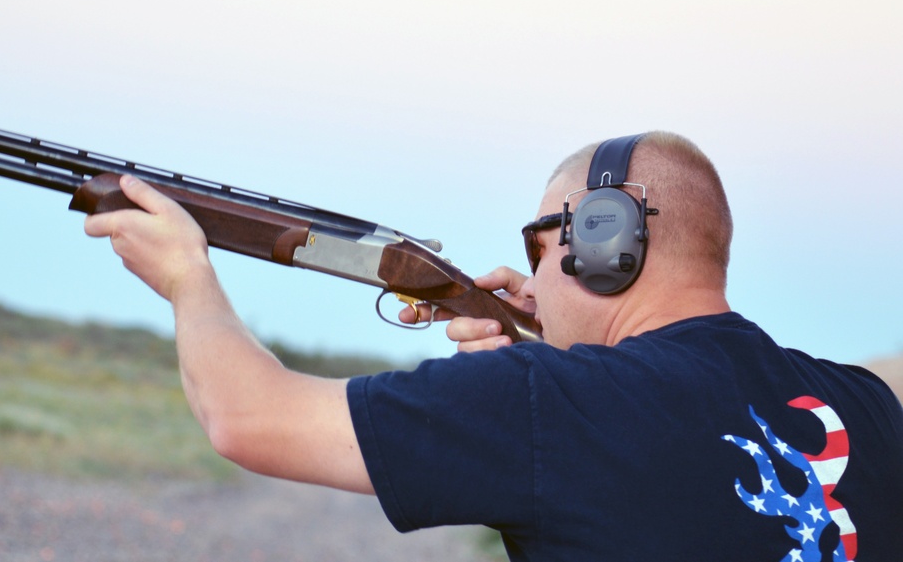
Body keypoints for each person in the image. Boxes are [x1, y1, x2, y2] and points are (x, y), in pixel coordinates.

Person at [84, 132, 903, 561]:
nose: (530, 273)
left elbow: (246, 416)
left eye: (541, 241)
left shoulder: (545, 402)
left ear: (602, 239)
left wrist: (188, 275)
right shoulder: (860, 409)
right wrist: (557, 340)